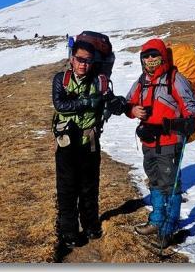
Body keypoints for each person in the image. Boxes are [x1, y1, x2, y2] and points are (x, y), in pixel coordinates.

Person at [52, 34, 126, 248]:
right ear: (72, 59)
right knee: (66, 187)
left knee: (89, 186)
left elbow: (110, 100)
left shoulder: (100, 81)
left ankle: (91, 225)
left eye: (87, 60)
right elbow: (59, 105)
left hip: (90, 140)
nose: (83, 64)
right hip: (66, 142)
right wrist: (87, 101)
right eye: (79, 59)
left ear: (92, 62)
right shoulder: (61, 79)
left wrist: (119, 105)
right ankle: (69, 230)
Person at [125, 38, 195, 248]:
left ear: (162, 57)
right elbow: (129, 101)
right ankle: (157, 220)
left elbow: (190, 106)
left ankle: (170, 223)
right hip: (148, 142)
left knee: (170, 183)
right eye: (146, 56)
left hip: (169, 141)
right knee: (155, 180)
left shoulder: (174, 79)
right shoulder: (142, 80)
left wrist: (188, 121)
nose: (150, 60)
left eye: (154, 55)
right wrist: (132, 110)